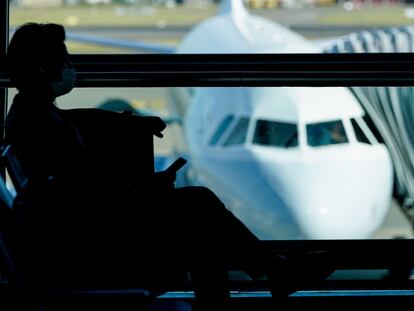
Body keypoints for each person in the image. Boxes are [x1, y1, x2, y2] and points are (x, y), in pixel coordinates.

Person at [5, 22, 333, 310]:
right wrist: (142, 190)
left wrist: (128, 124)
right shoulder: (42, 124)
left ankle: (272, 272)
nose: (70, 66)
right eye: (62, 60)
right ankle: (272, 271)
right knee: (199, 210)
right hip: (92, 243)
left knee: (199, 219)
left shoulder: (33, 113)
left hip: (80, 231)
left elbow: (78, 125)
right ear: (43, 71)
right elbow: (84, 195)